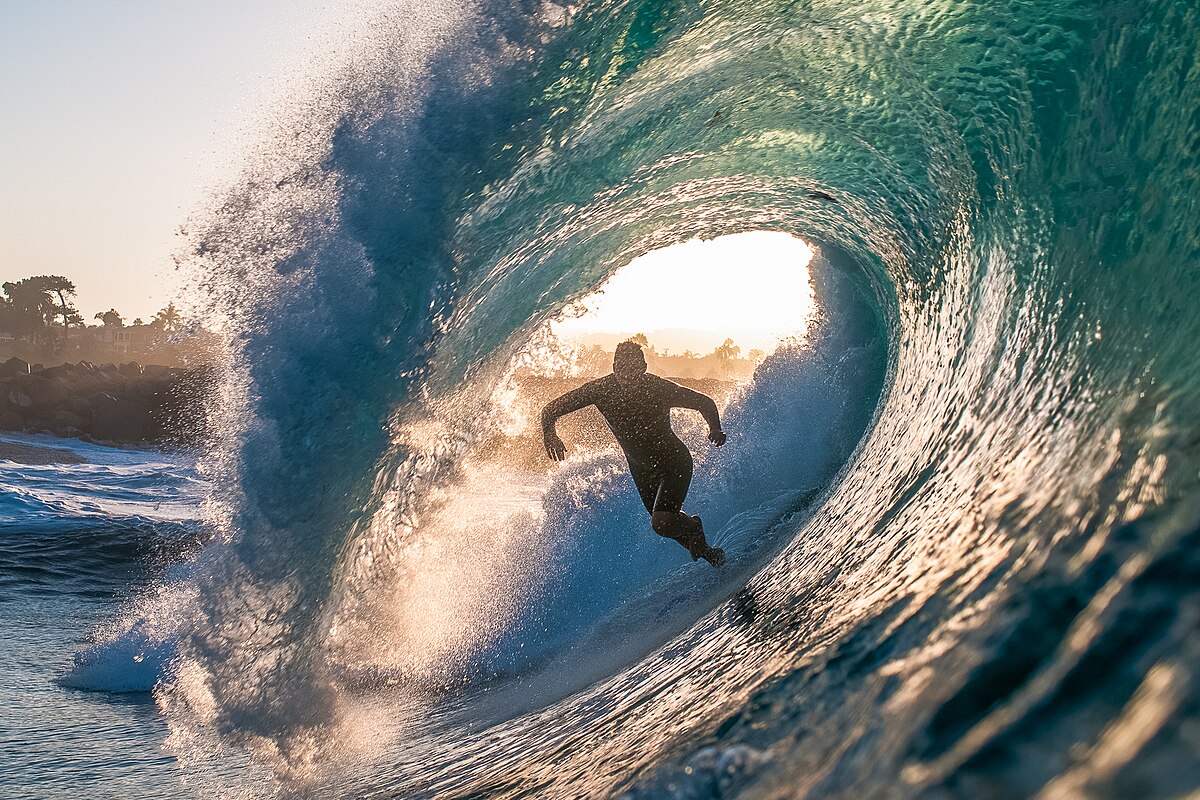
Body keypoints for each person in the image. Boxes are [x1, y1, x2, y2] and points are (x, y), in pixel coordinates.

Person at [541, 341, 727, 567]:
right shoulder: (600, 390)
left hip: (674, 462)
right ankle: (713, 556)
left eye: (632, 368)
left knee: (661, 522)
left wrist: (714, 428)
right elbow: (551, 410)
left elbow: (703, 402)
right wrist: (550, 434)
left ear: (644, 367)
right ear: (614, 366)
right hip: (642, 471)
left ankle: (695, 526)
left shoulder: (657, 388)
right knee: (666, 527)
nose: (626, 374)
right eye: (621, 367)